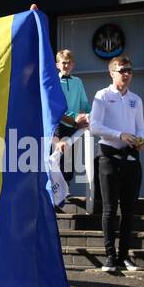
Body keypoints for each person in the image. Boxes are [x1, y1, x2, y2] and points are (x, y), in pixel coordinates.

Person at [89, 55, 144, 273]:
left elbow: (140, 127)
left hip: (130, 158)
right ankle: (110, 257)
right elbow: (94, 126)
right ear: (112, 73)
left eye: (130, 70)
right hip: (109, 157)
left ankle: (124, 256)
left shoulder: (136, 99)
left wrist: (139, 139)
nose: (127, 74)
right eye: (122, 70)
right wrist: (119, 134)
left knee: (129, 210)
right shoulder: (102, 95)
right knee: (110, 208)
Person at [54, 49, 91, 207]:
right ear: (57, 65)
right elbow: (55, 106)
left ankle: (65, 188)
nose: (66, 65)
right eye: (63, 62)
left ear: (73, 65)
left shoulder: (78, 82)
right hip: (59, 124)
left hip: (74, 126)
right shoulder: (53, 81)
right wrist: (73, 118)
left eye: (69, 63)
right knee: (57, 158)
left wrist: (86, 115)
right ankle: (56, 191)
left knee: (70, 159)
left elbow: (84, 103)